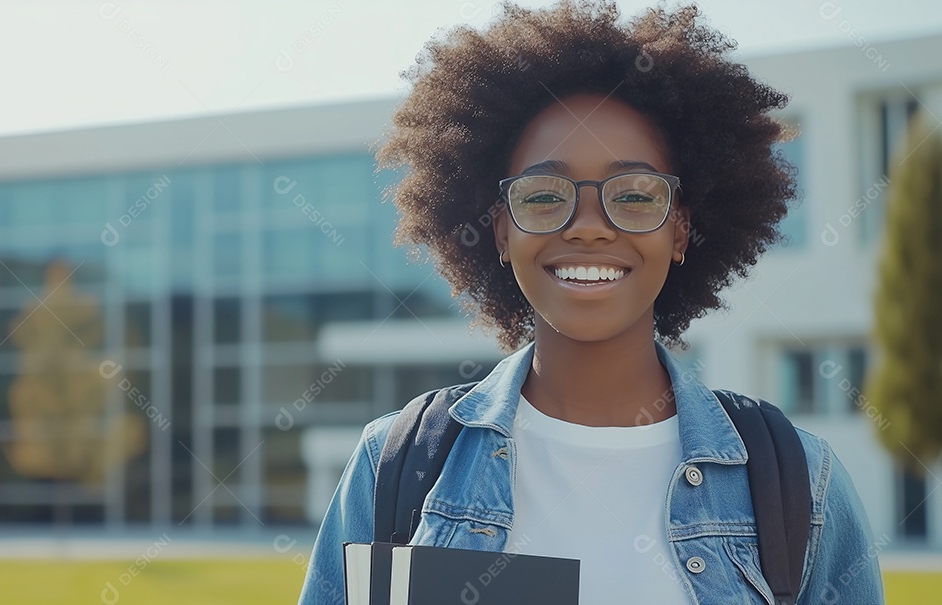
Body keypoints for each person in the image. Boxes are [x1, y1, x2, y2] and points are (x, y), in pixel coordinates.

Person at [297, 1, 884, 603]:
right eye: (544, 195)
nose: (588, 226)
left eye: (633, 196)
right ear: (500, 230)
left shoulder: (797, 483)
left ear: (680, 229)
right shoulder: (394, 467)